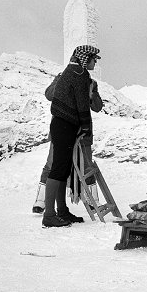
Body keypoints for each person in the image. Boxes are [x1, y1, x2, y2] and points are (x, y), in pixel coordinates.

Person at [42, 45, 101, 227]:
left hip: (63, 125)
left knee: (63, 169)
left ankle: (62, 211)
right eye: (94, 59)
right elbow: (82, 104)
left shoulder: (75, 72)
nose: (95, 63)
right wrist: (85, 126)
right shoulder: (79, 75)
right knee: (59, 168)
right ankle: (49, 214)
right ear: (85, 59)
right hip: (65, 126)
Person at [32, 72, 103, 214]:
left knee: (87, 166)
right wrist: (61, 82)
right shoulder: (61, 78)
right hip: (62, 131)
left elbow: (97, 107)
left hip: (83, 132)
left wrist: (91, 95)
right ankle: (42, 200)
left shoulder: (91, 82)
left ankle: (92, 201)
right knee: (53, 164)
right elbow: (49, 95)